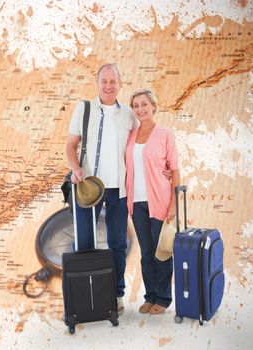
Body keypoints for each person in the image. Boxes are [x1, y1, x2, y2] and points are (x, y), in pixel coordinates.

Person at [65, 63, 137, 314]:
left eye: (113, 81)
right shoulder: (83, 109)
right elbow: (70, 146)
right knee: (84, 242)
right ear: (97, 83)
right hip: (89, 188)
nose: (108, 85)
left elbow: (139, 149)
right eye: (104, 81)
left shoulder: (129, 114)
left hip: (119, 191)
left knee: (118, 244)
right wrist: (76, 169)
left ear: (120, 84)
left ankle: (115, 295)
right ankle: (85, 296)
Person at [125, 88, 181, 315]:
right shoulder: (131, 135)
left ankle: (164, 298)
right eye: (136, 105)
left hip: (159, 201)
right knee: (146, 253)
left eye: (144, 104)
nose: (140, 109)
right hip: (136, 203)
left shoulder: (165, 134)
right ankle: (150, 296)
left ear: (153, 107)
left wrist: (173, 206)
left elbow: (175, 172)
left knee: (162, 253)